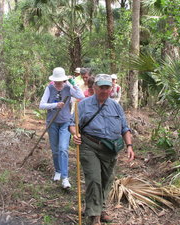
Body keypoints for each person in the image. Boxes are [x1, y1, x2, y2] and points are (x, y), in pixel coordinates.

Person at [69, 74, 134, 225]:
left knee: (107, 180)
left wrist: (129, 146)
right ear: (94, 88)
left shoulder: (116, 106)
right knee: (94, 180)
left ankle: (101, 207)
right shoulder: (83, 104)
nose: (104, 91)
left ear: (111, 89)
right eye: (101, 87)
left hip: (110, 149)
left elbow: (125, 128)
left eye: (107, 87)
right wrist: (75, 133)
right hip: (89, 145)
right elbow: (72, 123)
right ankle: (94, 216)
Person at [39, 67, 84, 189]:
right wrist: (55, 105)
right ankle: (58, 171)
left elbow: (81, 96)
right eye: (57, 81)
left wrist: (73, 83)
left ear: (64, 79)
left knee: (63, 148)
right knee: (55, 150)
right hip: (52, 122)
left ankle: (65, 178)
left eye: (61, 80)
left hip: (65, 122)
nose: (59, 83)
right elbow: (41, 105)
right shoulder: (49, 88)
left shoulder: (68, 88)